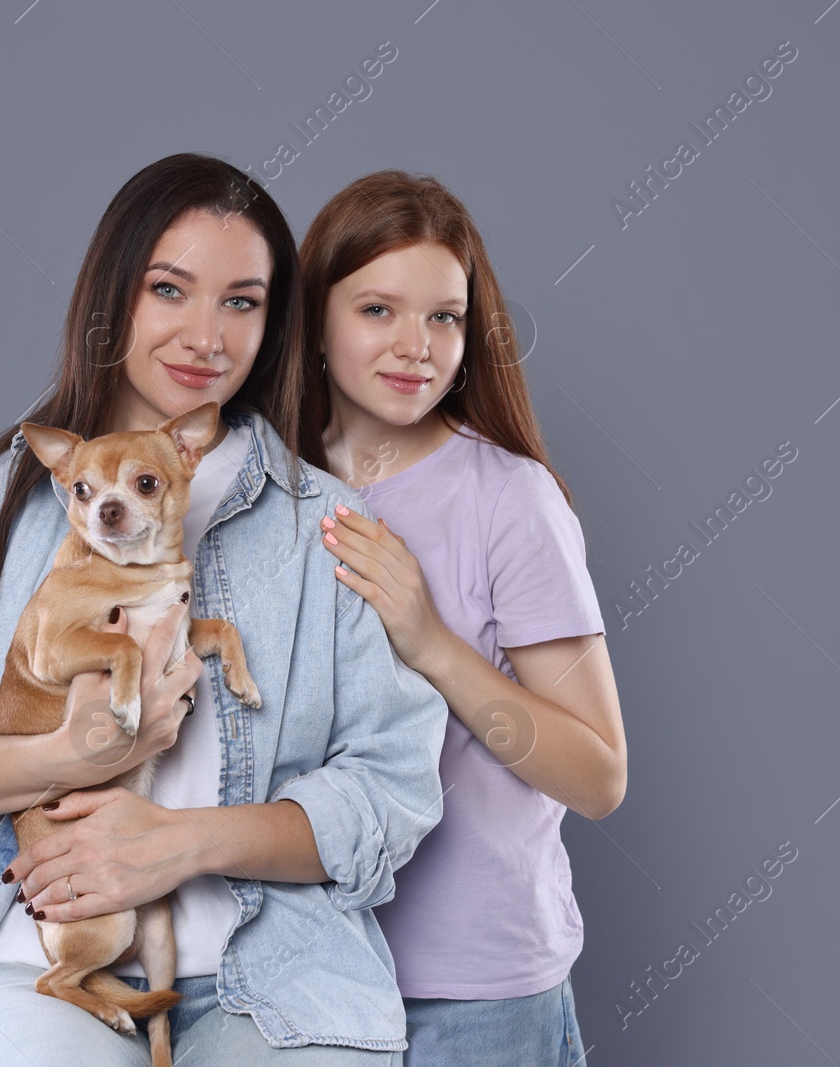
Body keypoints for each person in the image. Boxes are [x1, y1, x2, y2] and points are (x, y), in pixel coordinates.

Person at [0, 153, 449, 1067]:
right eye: (172, 289)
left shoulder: (328, 527)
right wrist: (68, 755)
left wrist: (179, 844)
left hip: (282, 971)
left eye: (241, 301)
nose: (205, 335)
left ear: (274, 323)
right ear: (115, 295)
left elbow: (392, 787)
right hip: (28, 953)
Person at [296, 170, 628, 1067]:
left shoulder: (508, 499)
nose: (416, 346)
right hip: (304, 984)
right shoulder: (266, 484)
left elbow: (598, 775)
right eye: (378, 310)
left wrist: (431, 641)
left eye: (444, 316)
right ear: (315, 320)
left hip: (474, 996)